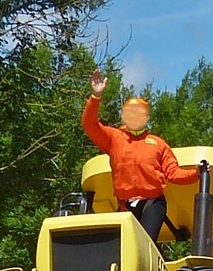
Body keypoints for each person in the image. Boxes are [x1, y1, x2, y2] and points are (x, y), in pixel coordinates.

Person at [82, 69, 198, 242]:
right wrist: (96, 97)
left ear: (146, 117)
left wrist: (197, 173)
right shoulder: (114, 138)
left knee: (144, 243)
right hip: (125, 205)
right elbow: (89, 125)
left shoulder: (158, 143)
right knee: (124, 247)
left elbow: (174, 174)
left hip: (153, 203)